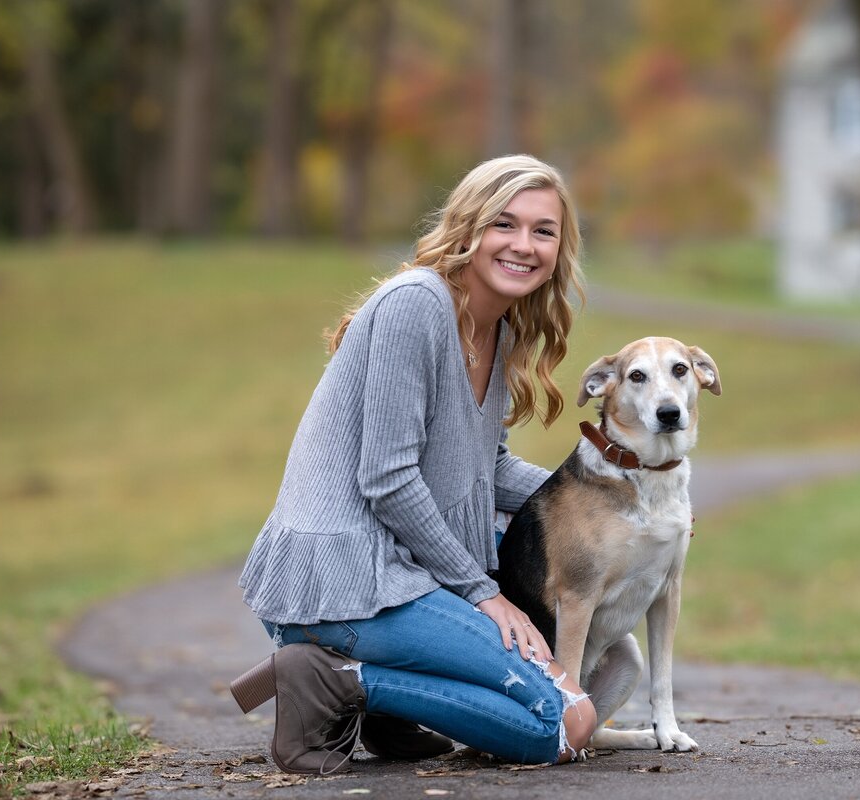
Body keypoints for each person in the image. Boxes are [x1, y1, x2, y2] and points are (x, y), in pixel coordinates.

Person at [231, 154, 598, 774]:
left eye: (543, 230)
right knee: (557, 724)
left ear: (561, 248)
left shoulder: (497, 329)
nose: (523, 245)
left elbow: (490, 472)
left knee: (568, 713)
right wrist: (483, 596)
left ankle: (379, 702)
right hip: (347, 582)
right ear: (467, 228)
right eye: (503, 224)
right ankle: (336, 682)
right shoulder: (417, 305)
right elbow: (388, 478)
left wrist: (617, 499)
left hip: (400, 579)